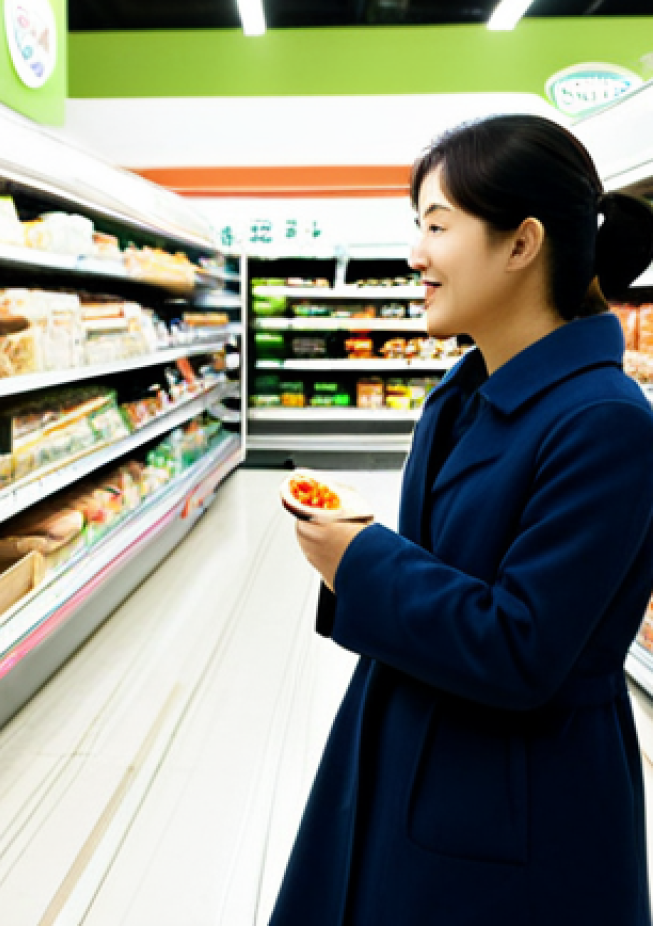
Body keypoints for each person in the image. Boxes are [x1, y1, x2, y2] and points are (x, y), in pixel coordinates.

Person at [269, 114, 653, 926]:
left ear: (522, 244)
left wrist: (357, 562)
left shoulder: (607, 422)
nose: (416, 255)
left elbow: (522, 646)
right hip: (404, 745)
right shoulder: (463, 392)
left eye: (437, 226)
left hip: (519, 799)